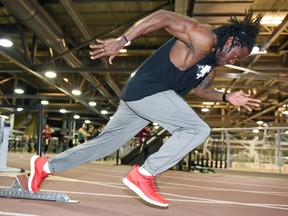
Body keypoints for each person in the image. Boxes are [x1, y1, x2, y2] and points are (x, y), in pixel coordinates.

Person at [28, 10, 262, 208]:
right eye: (237, 56)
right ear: (232, 41)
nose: (234, 61)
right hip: (149, 90)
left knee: (103, 146)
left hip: (139, 101)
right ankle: (144, 175)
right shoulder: (204, 38)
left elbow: (203, 90)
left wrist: (225, 96)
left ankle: (45, 166)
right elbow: (163, 17)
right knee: (197, 129)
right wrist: (123, 39)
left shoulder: (209, 67)